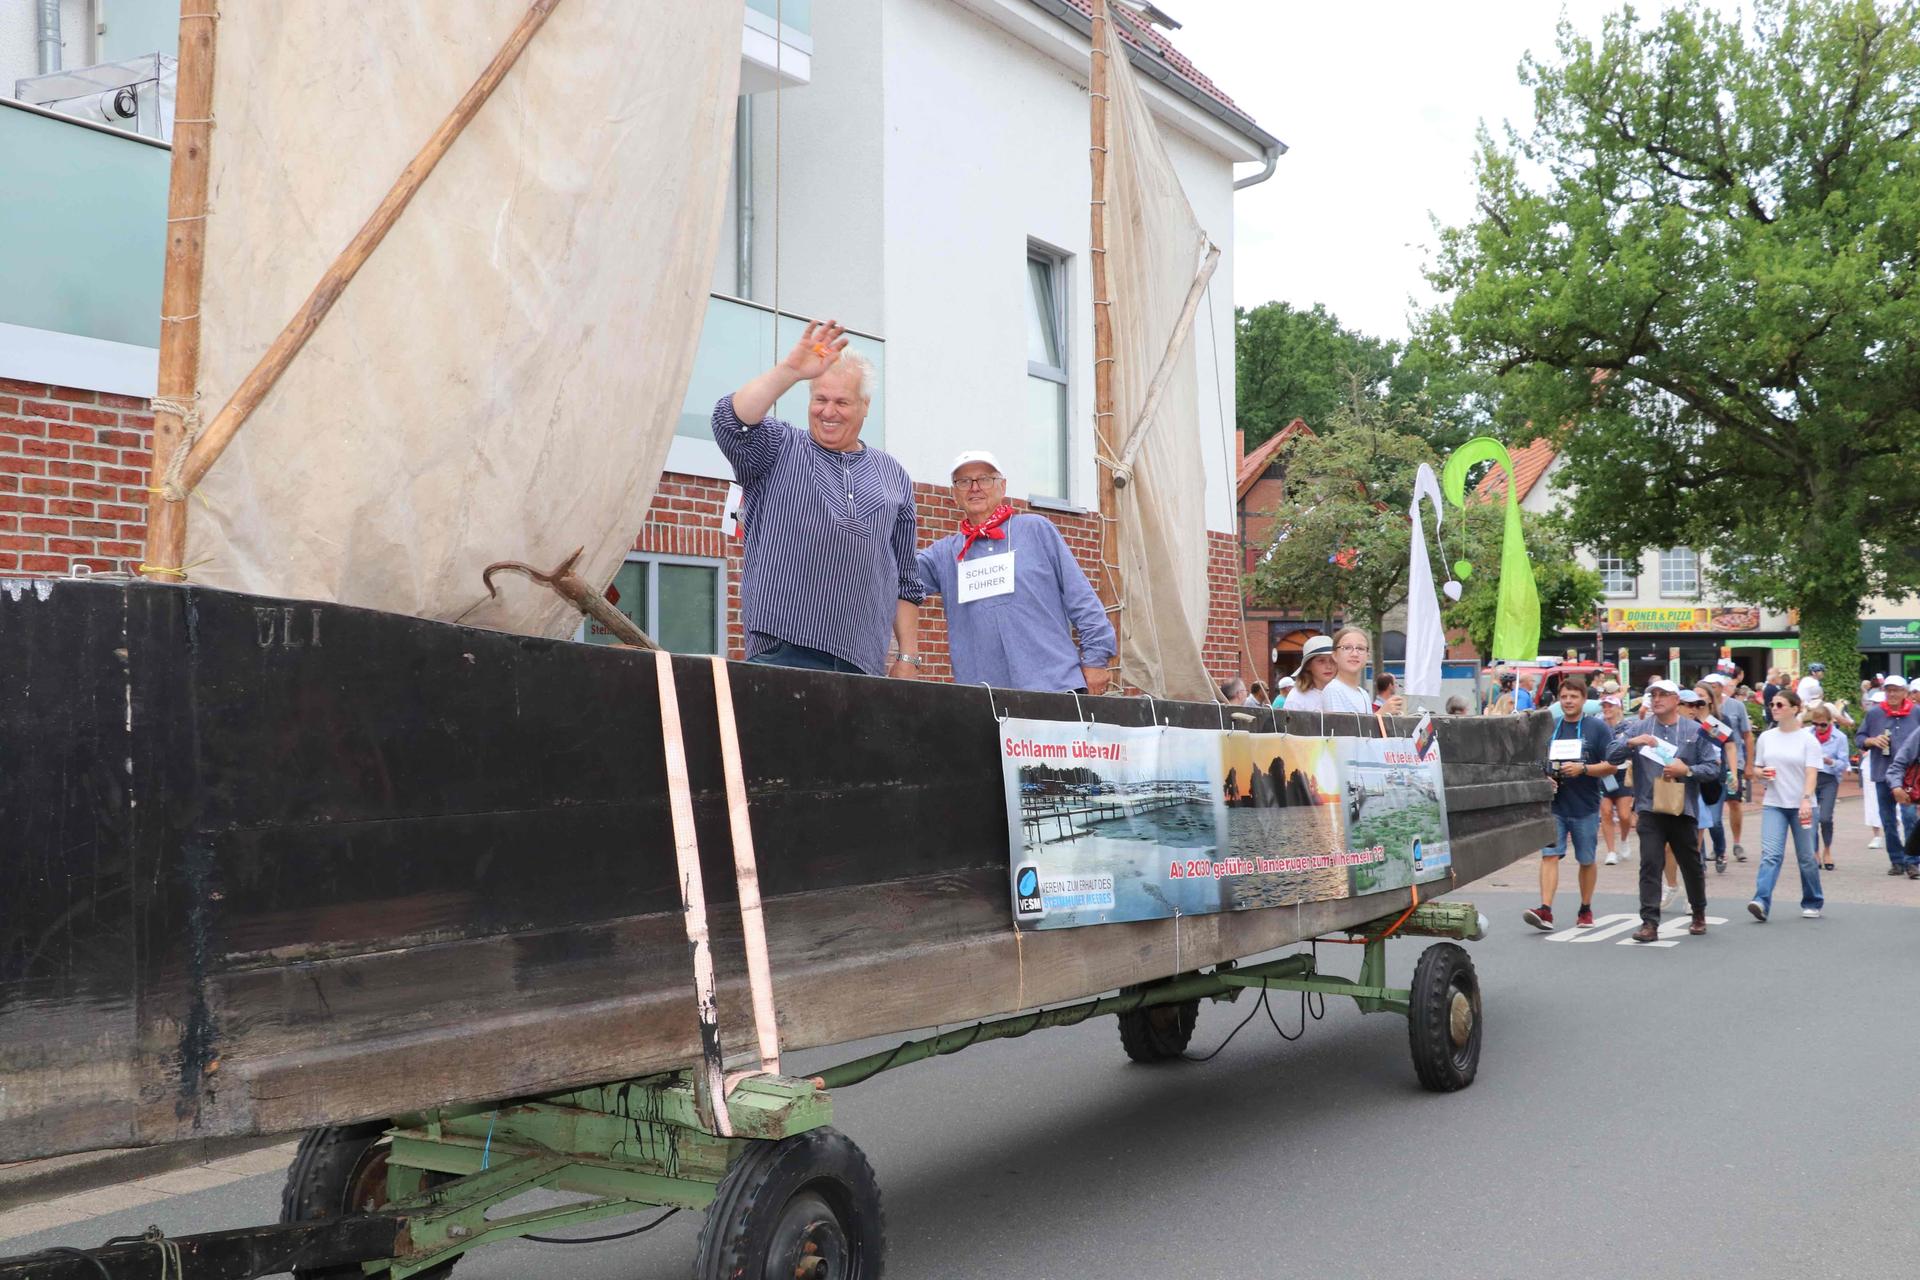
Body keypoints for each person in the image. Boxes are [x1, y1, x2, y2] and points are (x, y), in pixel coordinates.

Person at [717, 321, 924, 677]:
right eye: (820, 399)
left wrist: (908, 658)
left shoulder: (894, 475)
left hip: (863, 664)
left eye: (842, 401)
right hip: (781, 652)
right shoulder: (778, 447)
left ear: (865, 406)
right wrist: (790, 371)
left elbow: (906, 579)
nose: (828, 412)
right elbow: (731, 422)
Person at [916, 450, 1114, 694]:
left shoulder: (1036, 530)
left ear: (1003, 486)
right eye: (964, 481)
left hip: (1054, 689)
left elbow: (1081, 599)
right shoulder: (945, 554)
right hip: (984, 699)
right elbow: (895, 577)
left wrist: (1095, 659)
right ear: (954, 493)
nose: (974, 487)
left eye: (985, 479)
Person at [1608, 678, 1724, 941]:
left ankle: (1698, 912)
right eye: (1653, 694)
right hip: (1649, 807)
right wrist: (1631, 743)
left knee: (1690, 863)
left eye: (1663, 694)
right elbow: (1611, 754)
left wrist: (1688, 770)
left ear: (1676, 700)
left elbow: (1713, 768)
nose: (1657, 699)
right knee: (1650, 863)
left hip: (1683, 807)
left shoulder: (1696, 730)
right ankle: (1649, 922)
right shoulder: (1638, 726)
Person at [1525, 677, 1617, 930]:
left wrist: (1583, 769)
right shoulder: (1551, 727)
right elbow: (1538, 763)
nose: (1568, 701)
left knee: (1586, 860)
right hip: (1555, 807)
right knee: (1549, 856)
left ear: (1583, 700)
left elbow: (1612, 765)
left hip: (1585, 806)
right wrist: (1546, 778)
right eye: (1564, 696)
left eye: (1574, 696)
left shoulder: (1597, 728)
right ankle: (1545, 910)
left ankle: (1585, 908)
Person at [1747, 689, 1824, 921]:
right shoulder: (1766, 738)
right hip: (1774, 803)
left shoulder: (1808, 740)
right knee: (1770, 854)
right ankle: (1761, 901)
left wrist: (1806, 799)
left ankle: (1812, 900)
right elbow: (1756, 770)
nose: (1774, 708)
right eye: (1772, 704)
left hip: (1803, 805)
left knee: (1807, 857)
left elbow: (1811, 773)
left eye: (1780, 705)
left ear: (1794, 708)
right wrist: (1762, 773)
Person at [1858, 674, 1919, 876]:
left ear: (1905, 693)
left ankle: (1912, 861)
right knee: (1888, 820)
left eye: (1896, 690)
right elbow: (1859, 737)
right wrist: (1872, 741)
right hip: (1882, 773)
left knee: (1910, 817)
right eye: (1888, 690)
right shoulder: (1875, 714)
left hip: (1908, 777)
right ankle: (1897, 860)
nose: (1892, 694)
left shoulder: (1916, 713)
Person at [1705, 672, 1754, 862]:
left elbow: (1746, 735)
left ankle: (1737, 842)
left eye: (1714, 686)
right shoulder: (1702, 710)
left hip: (1735, 762)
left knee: (1734, 802)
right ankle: (1717, 845)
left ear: (1721, 686)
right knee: (1712, 808)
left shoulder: (1735, 706)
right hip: (1712, 765)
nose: (1711, 690)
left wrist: (1749, 764)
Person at [1804, 703, 1849, 870]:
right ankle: (1815, 851)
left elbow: (1843, 763)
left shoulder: (1840, 737)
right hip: (1810, 777)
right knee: (1812, 818)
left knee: (1825, 818)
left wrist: (1830, 761)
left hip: (1829, 778)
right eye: (1815, 724)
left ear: (1830, 722)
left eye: (1823, 724)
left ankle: (1827, 850)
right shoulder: (1807, 735)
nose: (1818, 728)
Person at [1598, 695, 1636, 866]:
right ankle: (1611, 851)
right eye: (1604, 706)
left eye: (1610, 706)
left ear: (1619, 707)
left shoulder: (1627, 727)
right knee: (1605, 812)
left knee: (1624, 815)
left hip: (1622, 774)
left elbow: (1633, 748)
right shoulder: (1599, 727)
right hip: (1603, 773)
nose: (1607, 709)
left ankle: (1624, 839)